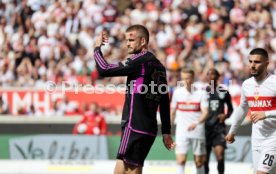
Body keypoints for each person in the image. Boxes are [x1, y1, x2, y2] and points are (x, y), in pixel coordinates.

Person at [93, 24, 175, 174]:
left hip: (134, 126)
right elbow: (164, 101)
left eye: (131, 40)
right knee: (125, 170)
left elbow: (104, 69)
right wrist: (166, 132)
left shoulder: (139, 60)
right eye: (126, 40)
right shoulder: (160, 66)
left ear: (143, 41)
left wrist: (97, 49)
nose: (127, 43)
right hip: (148, 129)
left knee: (126, 171)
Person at [225, 48, 276, 174]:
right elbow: (242, 108)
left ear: (266, 63)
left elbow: (265, 113)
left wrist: (266, 114)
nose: (252, 65)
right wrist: (233, 131)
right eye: (250, 61)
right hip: (257, 139)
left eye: (257, 62)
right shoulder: (247, 85)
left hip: (273, 139)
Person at [171, 68, 209, 174]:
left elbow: (206, 112)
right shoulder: (177, 92)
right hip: (181, 131)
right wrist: (168, 130)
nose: (185, 81)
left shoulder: (201, 93)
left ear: (193, 78)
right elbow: (173, 112)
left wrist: (196, 123)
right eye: (183, 79)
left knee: (199, 162)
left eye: (187, 78)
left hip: (197, 131)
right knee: (181, 160)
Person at [204, 68, 233, 174]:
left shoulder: (224, 92)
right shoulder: (201, 92)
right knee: (204, 160)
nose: (211, 76)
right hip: (204, 129)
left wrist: (225, 116)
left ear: (217, 77)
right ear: (206, 77)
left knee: (220, 156)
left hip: (219, 128)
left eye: (213, 74)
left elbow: (231, 109)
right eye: (209, 74)